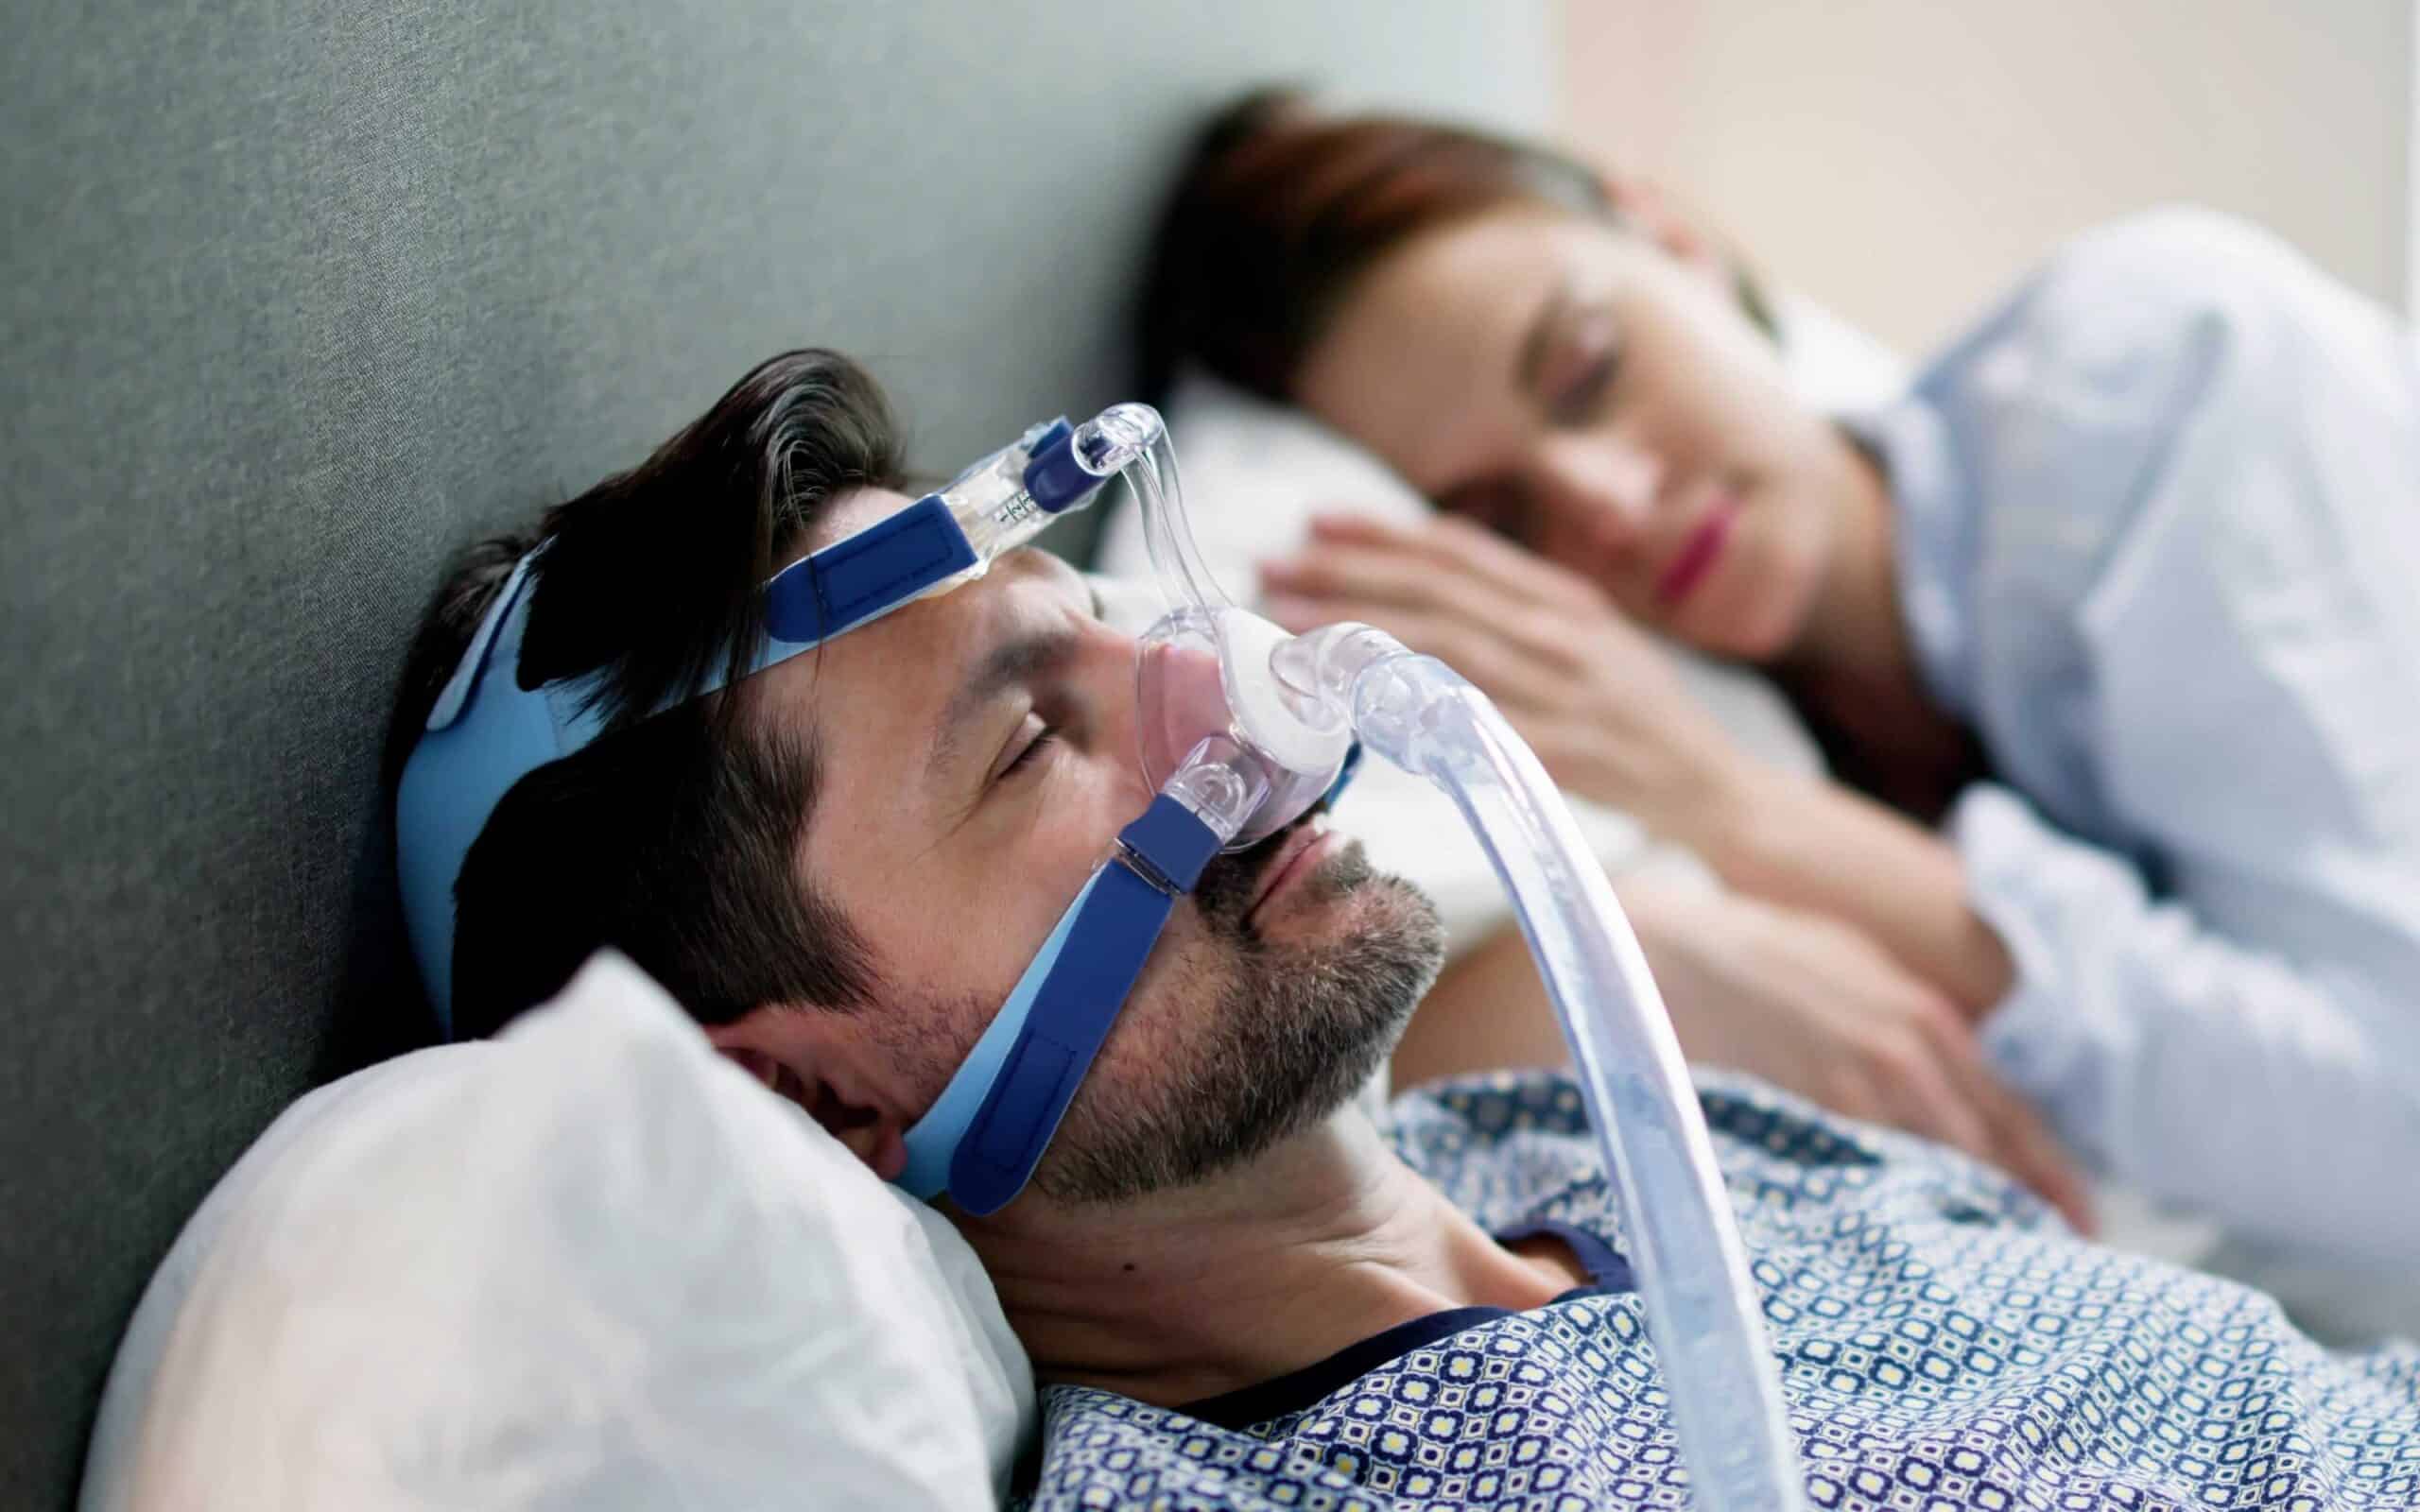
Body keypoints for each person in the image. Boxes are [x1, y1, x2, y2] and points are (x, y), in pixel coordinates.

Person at [387, 348, 2420, 1509]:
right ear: (813, 1103)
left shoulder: (1602, 1133)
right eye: (1025, 750)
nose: (1212, 696)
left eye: (1101, 631)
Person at [1138, 92, 2420, 1280]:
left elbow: (2393, 1126)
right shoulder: (1766, 713)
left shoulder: (2163, 375)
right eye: (1506, 521)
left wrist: (1730, 802)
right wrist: (1657, 940)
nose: (1617, 506)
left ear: (1676, 239)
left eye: (1588, 371)